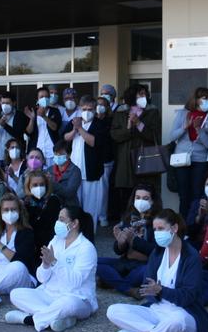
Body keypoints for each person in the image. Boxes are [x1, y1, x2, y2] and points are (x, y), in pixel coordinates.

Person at [108, 208, 208, 332]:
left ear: (174, 228)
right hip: (157, 310)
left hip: (184, 312)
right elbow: (147, 287)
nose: (157, 233)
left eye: (161, 228)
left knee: (176, 322)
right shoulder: (157, 253)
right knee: (113, 310)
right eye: (155, 229)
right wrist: (153, 293)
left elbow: (188, 296)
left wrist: (161, 291)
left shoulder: (191, 257)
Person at [5, 206, 98, 332]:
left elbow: (75, 282)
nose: (57, 223)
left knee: (68, 304)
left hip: (76, 297)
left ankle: (28, 319)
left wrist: (54, 262)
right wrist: (45, 265)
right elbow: (41, 278)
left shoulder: (86, 248)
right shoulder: (56, 240)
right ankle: (61, 318)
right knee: (15, 294)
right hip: (49, 294)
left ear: (75, 223)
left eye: (62, 219)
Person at [97, 183, 161, 298]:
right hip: (125, 263)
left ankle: (114, 282)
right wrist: (120, 244)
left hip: (144, 265)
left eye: (146, 198)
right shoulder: (129, 218)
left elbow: (157, 251)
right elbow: (119, 251)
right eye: (138, 198)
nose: (141, 201)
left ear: (153, 201)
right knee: (94, 262)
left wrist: (134, 241)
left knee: (147, 272)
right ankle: (127, 288)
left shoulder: (158, 221)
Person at [110, 84, 161, 222]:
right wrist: (128, 128)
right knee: (126, 193)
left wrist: (138, 123)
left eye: (145, 94)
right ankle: (126, 222)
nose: (143, 97)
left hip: (145, 159)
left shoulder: (152, 111)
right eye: (140, 94)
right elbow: (114, 135)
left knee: (147, 191)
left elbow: (154, 136)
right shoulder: (120, 112)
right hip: (125, 160)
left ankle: (149, 222)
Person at [62, 95, 109, 229]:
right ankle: (74, 231)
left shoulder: (100, 124)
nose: (87, 111)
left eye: (90, 109)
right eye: (84, 109)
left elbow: (94, 142)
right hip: (74, 172)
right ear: (80, 109)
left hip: (91, 173)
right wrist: (74, 129)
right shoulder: (75, 121)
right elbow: (65, 138)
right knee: (74, 206)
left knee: (90, 208)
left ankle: (89, 233)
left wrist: (80, 129)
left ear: (95, 110)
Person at [169, 87, 208, 219]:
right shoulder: (183, 114)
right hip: (182, 159)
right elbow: (172, 136)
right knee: (184, 194)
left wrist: (198, 129)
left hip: (200, 160)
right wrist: (185, 127)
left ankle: (194, 224)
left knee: (197, 194)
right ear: (196, 99)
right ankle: (183, 225)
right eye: (204, 98)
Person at [23, 170, 63, 252]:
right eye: (35, 185)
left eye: (42, 184)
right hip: (31, 245)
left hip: (50, 245)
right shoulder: (25, 203)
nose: (39, 187)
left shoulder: (53, 200)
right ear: (28, 186)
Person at [0, 92, 28, 168]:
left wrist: (5, 125)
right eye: (3, 103)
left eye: (7, 103)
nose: (5, 105)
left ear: (14, 103)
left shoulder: (20, 116)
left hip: (13, 157)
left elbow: (19, 135)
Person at [185, 171, 208, 249]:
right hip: (197, 244)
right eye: (207, 184)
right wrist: (199, 216)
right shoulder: (197, 203)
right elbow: (189, 231)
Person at [25, 87, 62, 165]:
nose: (44, 99)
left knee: (52, 175)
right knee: (37, 175)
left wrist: (44, 116)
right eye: (41, 97)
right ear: (37, 100)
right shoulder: (32, 112)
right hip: (36, 152)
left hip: (52, 151)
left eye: (46, 97)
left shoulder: (55, 111)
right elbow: (29, 132)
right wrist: (32, 119)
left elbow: (55, 128)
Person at [96, 95, 116, 227]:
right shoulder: (90, 120)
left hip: (106, 160)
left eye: (103, 104)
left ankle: (102, 216)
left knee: (103, 190)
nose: (100, 107)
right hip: (91, 161)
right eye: (98, 104)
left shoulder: (111, 121)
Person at [50, 141, 82, 208]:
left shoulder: (75, 171)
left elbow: (69, 193)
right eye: (55, 154)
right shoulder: (49, 170)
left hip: (69, 207)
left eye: (61, 154)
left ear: (69, 154)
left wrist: (52, 183)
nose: (58, 156)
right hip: (52, 206)